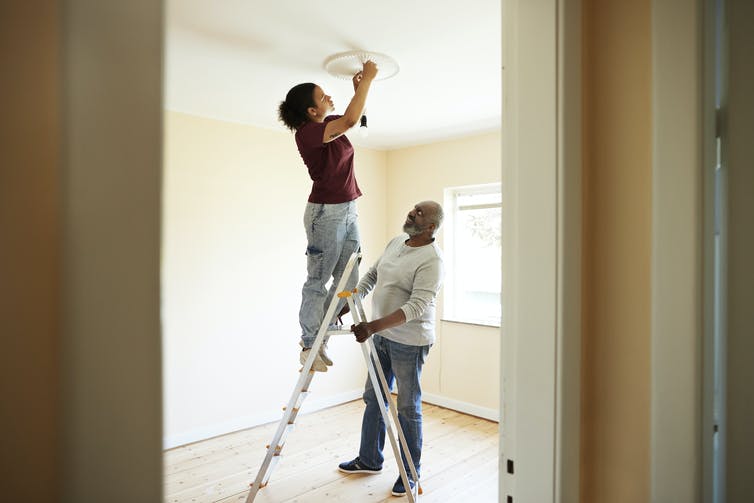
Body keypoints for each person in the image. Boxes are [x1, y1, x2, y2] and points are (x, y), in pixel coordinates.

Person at [337, 200, 445, 497]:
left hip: (409, 342)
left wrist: (371, 327)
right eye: (412, 209)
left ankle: (410, 472)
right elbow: (372, 275)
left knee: (408, 408)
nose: (411, 213)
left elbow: (416, 307)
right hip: (382, 336)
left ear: (431, 226)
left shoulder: (432, 261)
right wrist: (350, 303)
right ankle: (369, 459)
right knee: (374, 397)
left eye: (419, 213)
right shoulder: (397, 242)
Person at [277, 60, 379, 372]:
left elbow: (357, 119)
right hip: (326, 213)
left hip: (348, 209)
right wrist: (368, 80)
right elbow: (350, 120)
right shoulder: (308, 134)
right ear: (310, 111)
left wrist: (357, 90)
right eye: (322, 97)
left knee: (348, 280)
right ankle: (310, 343)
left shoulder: (329, 125)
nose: (327, 100)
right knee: (317, 279)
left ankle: (323, 334)